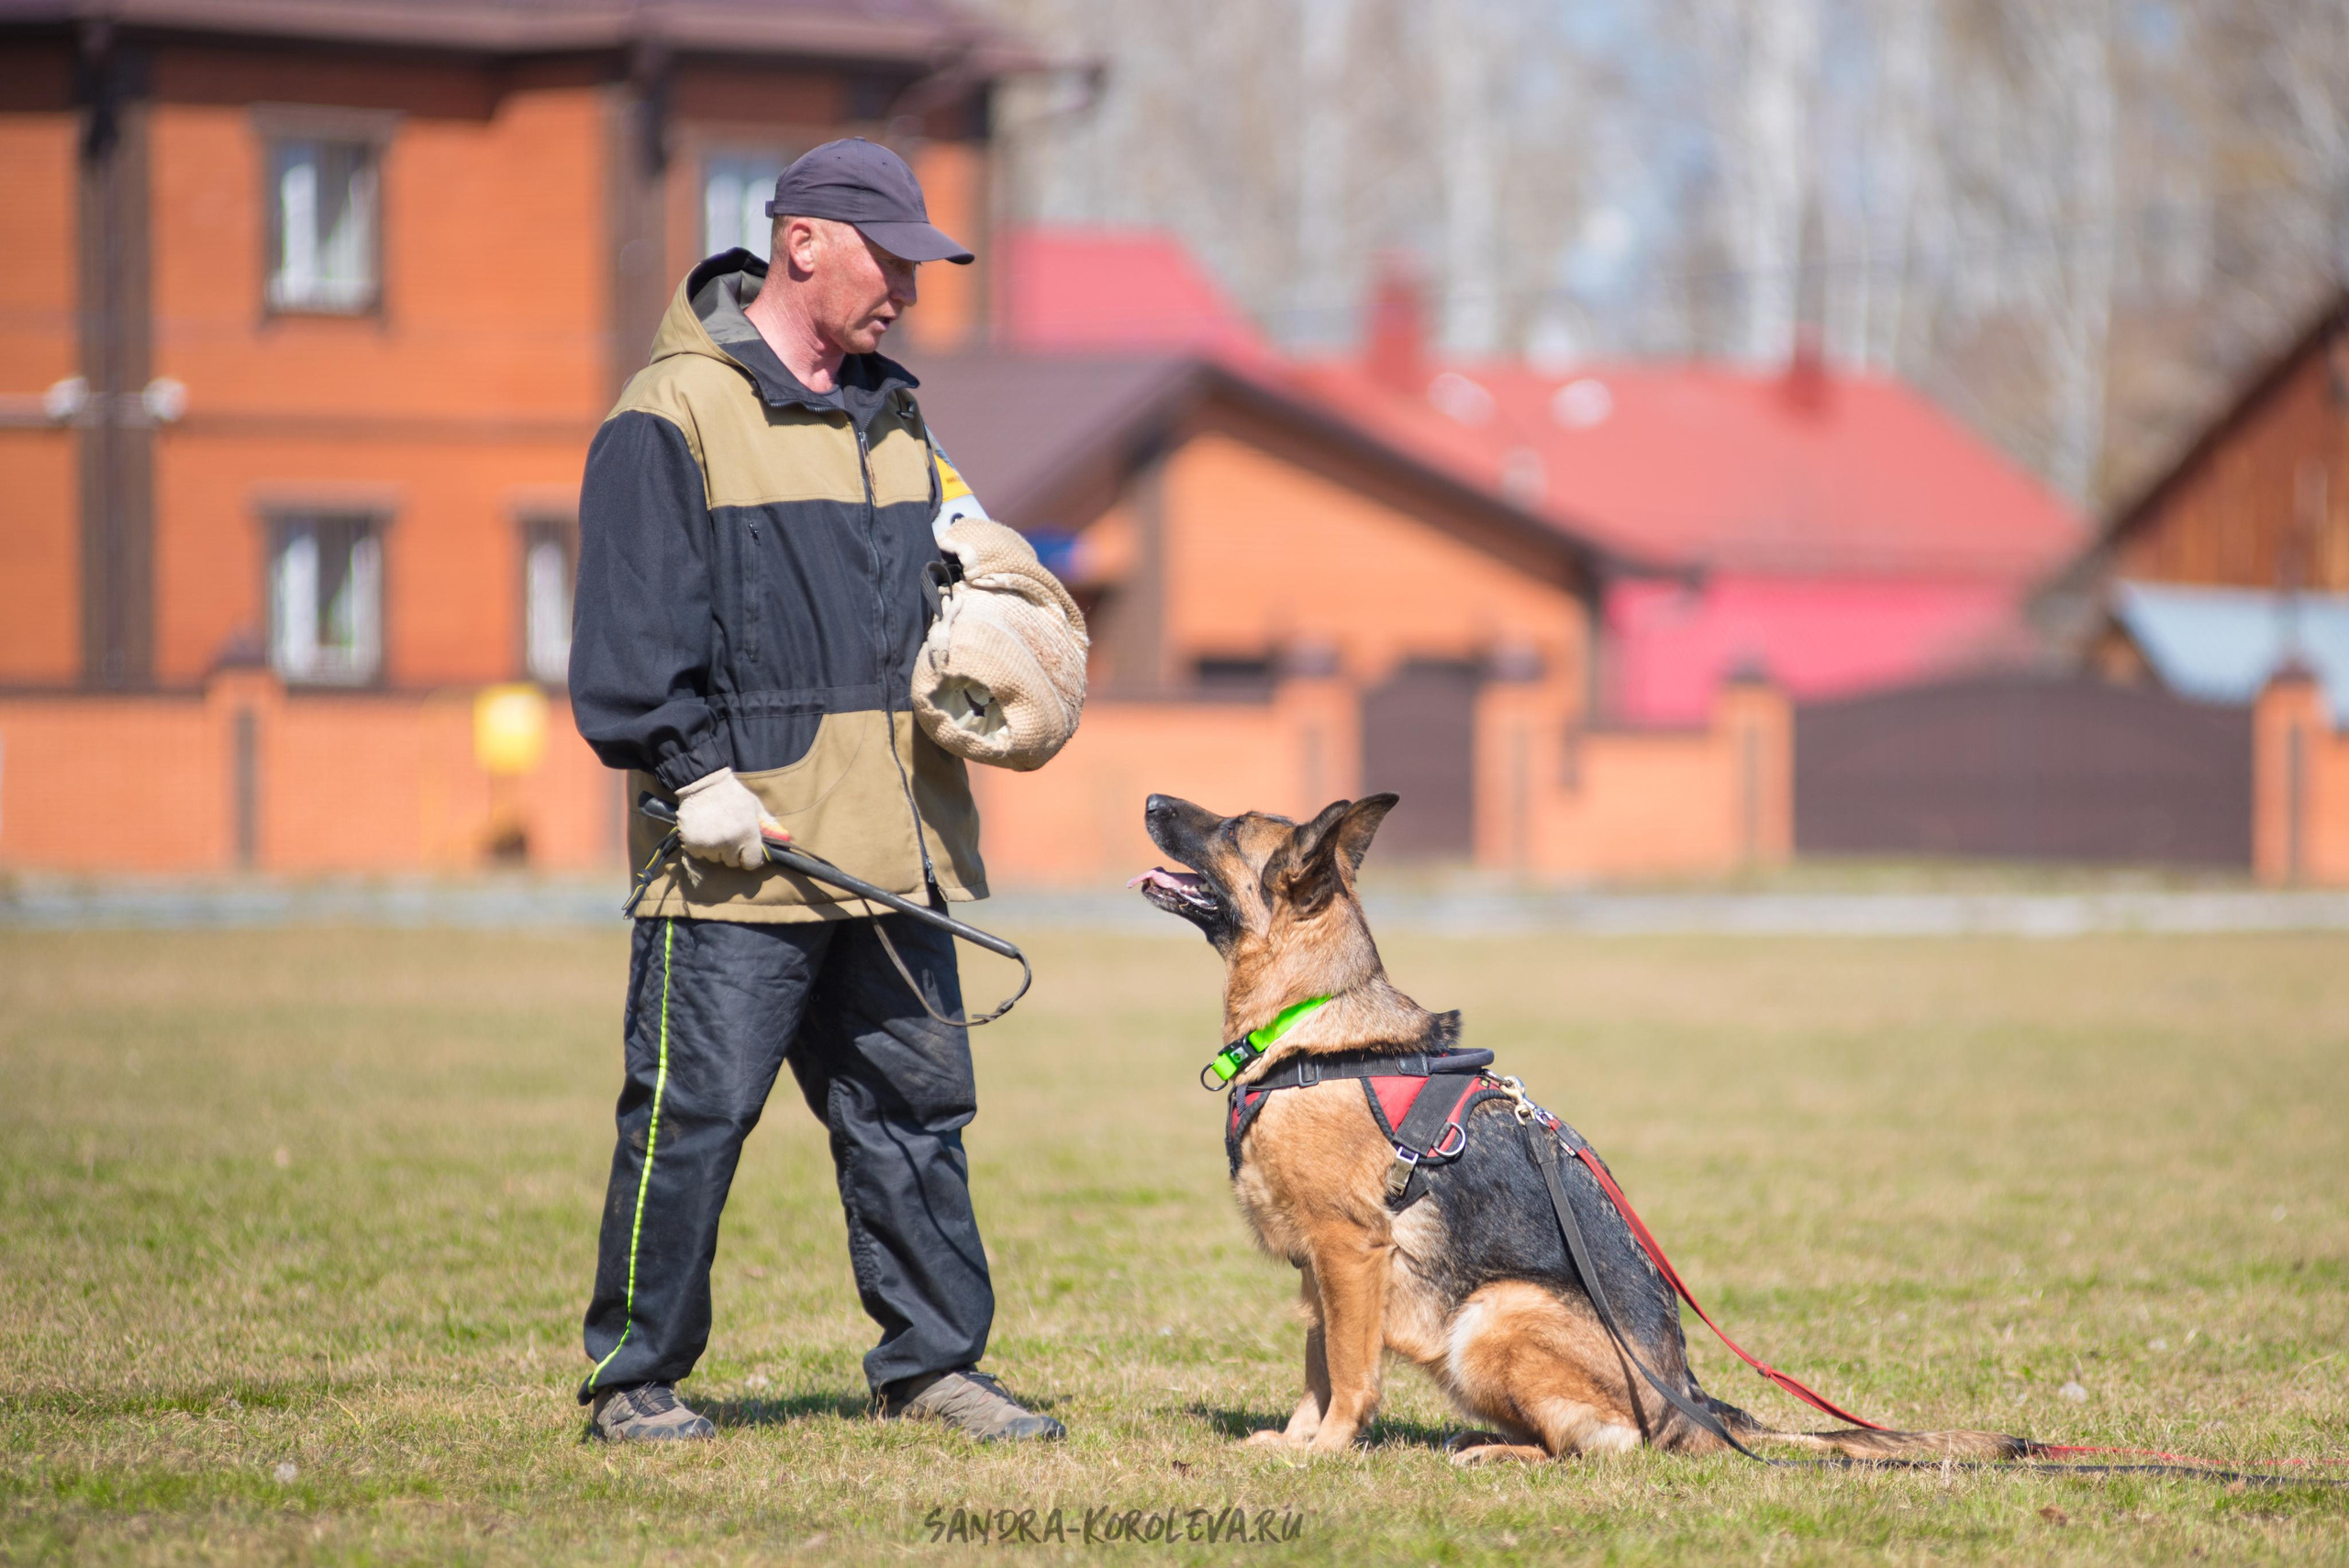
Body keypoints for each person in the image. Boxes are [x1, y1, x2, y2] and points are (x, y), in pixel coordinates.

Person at [566, 139, 1061, 1445]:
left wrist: (996, 593)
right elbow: (625, 647)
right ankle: (633, 1378)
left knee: (913, 1119)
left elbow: (959, 578)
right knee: (693, 1119)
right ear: (802, 245)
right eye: (889, 258)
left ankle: (934, 1364)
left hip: (892, 852)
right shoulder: (669, 413)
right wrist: (688, 777)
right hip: (743, 849)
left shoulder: (901, 420)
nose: (909, 286)